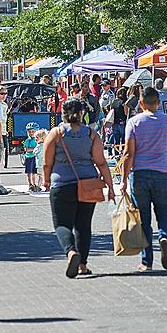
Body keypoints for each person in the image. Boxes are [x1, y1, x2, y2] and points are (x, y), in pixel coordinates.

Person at [43, 98, 115, 278]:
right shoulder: (91, 135)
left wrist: (45, 181)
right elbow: (102, 163)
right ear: (82, 114)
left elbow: (46, 162)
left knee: (62, 224)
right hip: (88, 182)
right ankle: (82, 265)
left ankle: (70, 252)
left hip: (62, 184)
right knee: (83, 226)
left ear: (63, 113)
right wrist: (110, 186)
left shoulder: (56, 133)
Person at [122, 87, 167, 271]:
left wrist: (123, 179)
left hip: (139, 174)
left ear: (141, 102)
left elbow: (128, 153)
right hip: (161, 173)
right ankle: (164, 237)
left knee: (143, 219)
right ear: (158, 102)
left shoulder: (133, 122)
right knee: (165, 213)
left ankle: (147, 261)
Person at [23, 122, 40, 192]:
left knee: (34, 172)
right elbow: (27, 149)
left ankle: (34, 184)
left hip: (35, 157)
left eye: (33, 131)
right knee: (29, 172)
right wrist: (34, 149)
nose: (31, 133)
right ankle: (30, 184)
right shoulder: (28, 140)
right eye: (30, 132)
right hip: (29, 158)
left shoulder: (38, 140)